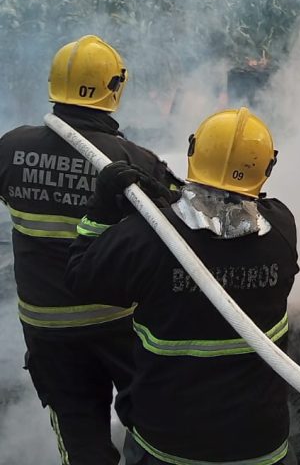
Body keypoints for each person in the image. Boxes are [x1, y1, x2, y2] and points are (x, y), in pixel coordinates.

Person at [66, 107, 299, 465]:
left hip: (169, 444)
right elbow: (241, 219)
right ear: (266, 168)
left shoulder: (145, 238)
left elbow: (80, 279)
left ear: (193, 151)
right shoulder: (282, 229)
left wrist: (103, 210)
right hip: (261, 444)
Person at [0, 35, 180, 464]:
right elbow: (182, 216)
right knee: (159, 429)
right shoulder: (133, 160)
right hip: (119, 325)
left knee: (82, 446)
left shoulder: (9, 148)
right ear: (114, 88)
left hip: (48, 332)